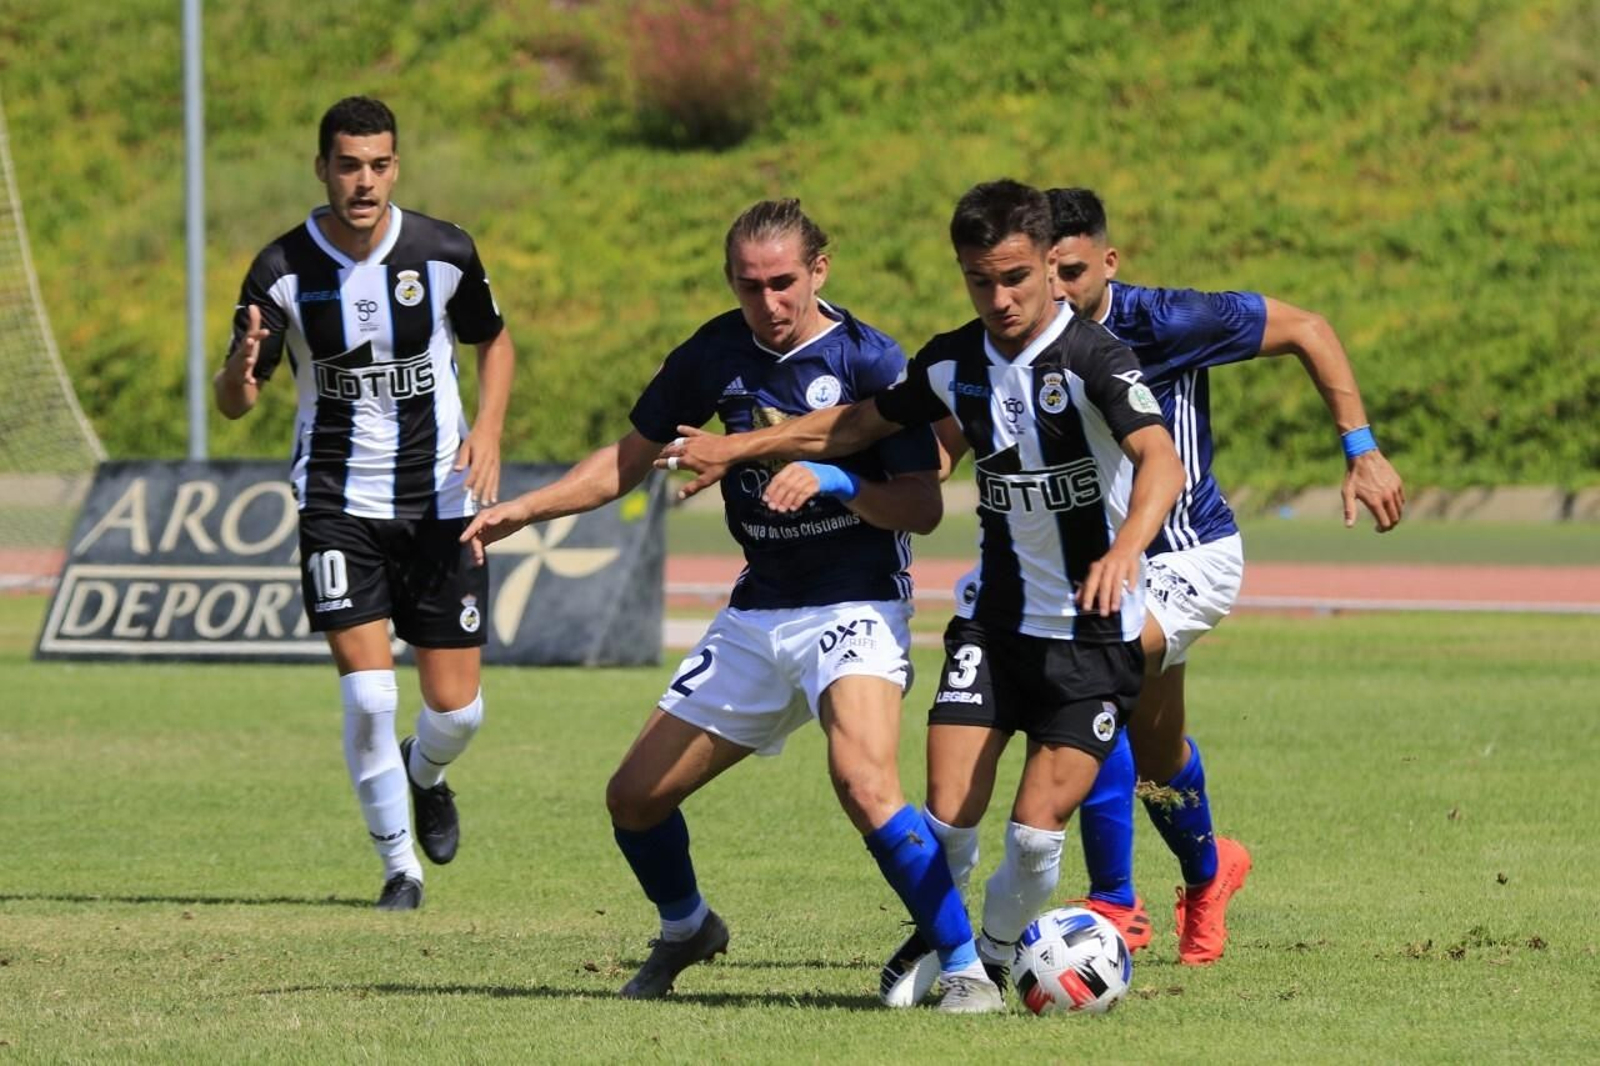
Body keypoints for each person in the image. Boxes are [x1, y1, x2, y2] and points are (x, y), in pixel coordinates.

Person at [459, 199, 1002, 1011]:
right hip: (757, 610)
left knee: (862, 781)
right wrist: (524, 510)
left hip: (853, 606)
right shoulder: (715, 352)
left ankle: (964, 967)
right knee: (634, 799)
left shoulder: (871, 360)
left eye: (784, 282)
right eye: (751, 286)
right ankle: (687, 928)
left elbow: (921, 505)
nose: (770, 303)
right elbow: (629, 460)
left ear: (820, 269)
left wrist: (838, 480)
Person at [661, 180, 1186, 1002]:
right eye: (981, 280)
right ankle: (956, 962)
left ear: (1053, 266)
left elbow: (1162, 458)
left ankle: (996, 952)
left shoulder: (1095, 360)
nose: (1001, 297)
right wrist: (743, 449)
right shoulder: (953, 361)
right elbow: (860, 423)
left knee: (1034, 842)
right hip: (994, 626)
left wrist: (1125, 547)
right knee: (944, 821)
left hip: (1091, 635)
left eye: (1016, 277)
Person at [1047, 186, 1406, 964]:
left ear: (1107, 262)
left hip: (1188, 554)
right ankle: (1211, 875)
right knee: (1155, 748)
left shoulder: (1166, 320)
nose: (1058, 291)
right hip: (1104, 566)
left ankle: (1115, 901)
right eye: (1045, 273)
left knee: (1095, 669)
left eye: (1073, 271)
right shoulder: (1021, 336)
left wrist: (1361, 448)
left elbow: (1309, 327)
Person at [214, 96, 516, 910]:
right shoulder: (281, 270)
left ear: (395, 166)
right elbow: (236, 402)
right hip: (336, 499)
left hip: (444, 502)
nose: (365, 181)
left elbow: (493, 340)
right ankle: (398, 868)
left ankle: (428, 771)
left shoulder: (442, 251)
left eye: (380, 164)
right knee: (371, 693)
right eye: (349, 164)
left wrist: (487, 429)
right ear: (322, 168)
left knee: (458, 713)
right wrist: (240, 368)